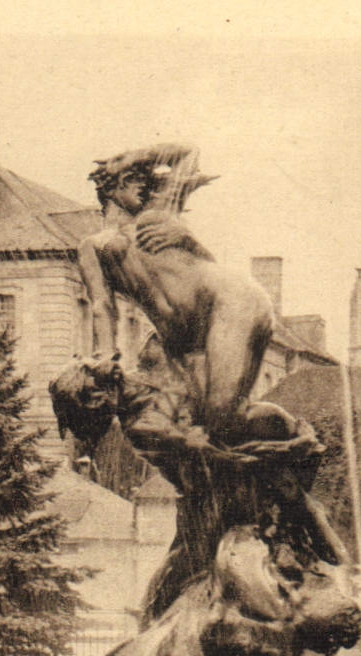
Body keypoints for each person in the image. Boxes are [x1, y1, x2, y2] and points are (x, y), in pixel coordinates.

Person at [77, 142, 279, 445]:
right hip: (189, 339)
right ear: (110, 187)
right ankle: (286, 446)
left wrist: (136, 156)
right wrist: (106, 354)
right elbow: (102, 305)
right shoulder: (92, 246)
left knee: (219, 419)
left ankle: (298, 444)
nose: (142, 182)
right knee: (206, 426)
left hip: (232, 303)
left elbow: (189, 153)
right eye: (131, 178)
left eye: (144, 176)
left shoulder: (159, 211)